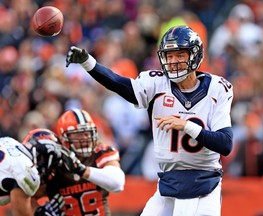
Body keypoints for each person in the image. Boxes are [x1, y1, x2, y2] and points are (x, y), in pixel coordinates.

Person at [66, 25, 234, 216]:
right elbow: (119, 83)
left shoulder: (217, 88)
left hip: (204, 185)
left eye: (180, 55)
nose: (173, 61)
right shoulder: (157, 84)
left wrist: (186, 125)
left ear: (195, 55)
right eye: (169, 56)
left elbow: (225, 143)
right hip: (168, 184)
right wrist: (89, 63)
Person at [34, 108, 125, 216]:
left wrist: (81, 170)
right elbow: (27, 195)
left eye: (87, 133)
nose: (85, 138)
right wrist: (38, 212)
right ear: (65, 138)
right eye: (79, 134)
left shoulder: (100, 154)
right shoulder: (54, 164)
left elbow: (118, 183)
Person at [0, 130, 65, 216]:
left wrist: (38, 211)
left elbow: (24, 197)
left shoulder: (9, 141)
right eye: (51, 168)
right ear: (42, 158)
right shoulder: (27, 171)